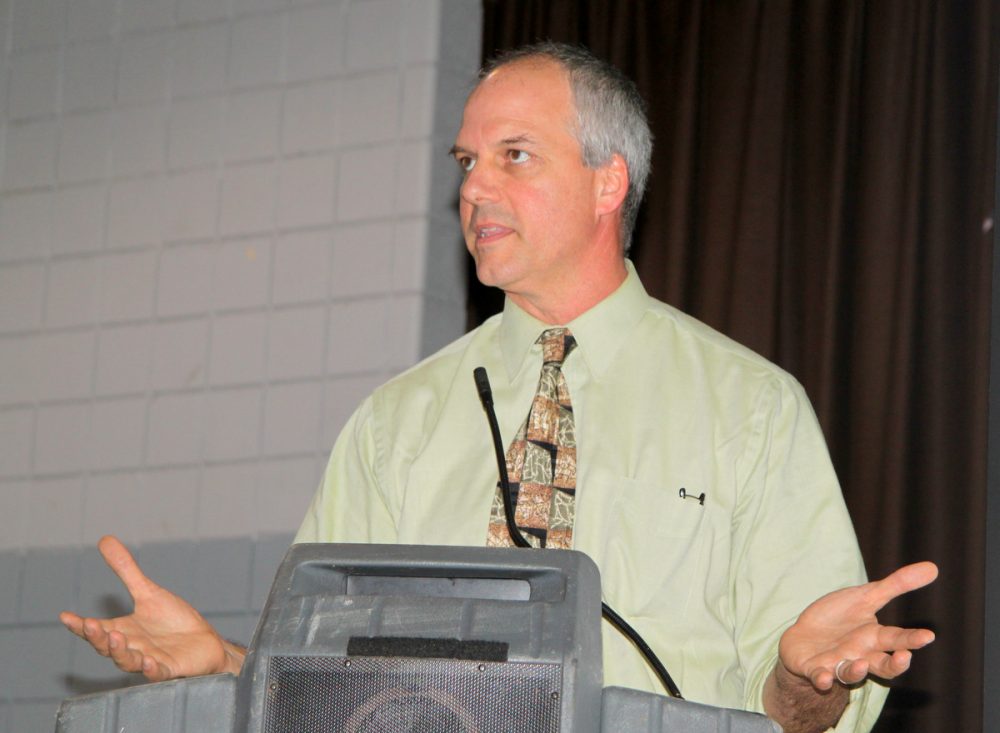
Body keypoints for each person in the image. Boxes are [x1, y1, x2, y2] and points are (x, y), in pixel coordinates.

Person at [60, 43, 937, 733]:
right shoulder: (395, 423)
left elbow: (796, 716)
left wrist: (806, 677)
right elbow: (322, 677)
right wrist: (223, 664)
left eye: (514, 155)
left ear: (608, 180)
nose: (475, 185)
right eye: (468, 161)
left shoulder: (752, 408)